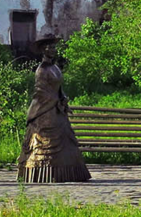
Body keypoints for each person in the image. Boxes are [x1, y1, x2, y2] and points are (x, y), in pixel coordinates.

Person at [17, 38, 91, 183]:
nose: (53, 49)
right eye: (49, 47)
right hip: (45, 110)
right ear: (43, 50)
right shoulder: (41, 70)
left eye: (54, 47)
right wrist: (56, 101)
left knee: (66, 140)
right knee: (45, 142)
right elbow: (40, 92)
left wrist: (62, 98)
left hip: (57, 109)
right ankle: (40, 173)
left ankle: (68, 173)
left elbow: (57, 88)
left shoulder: (55, 67)